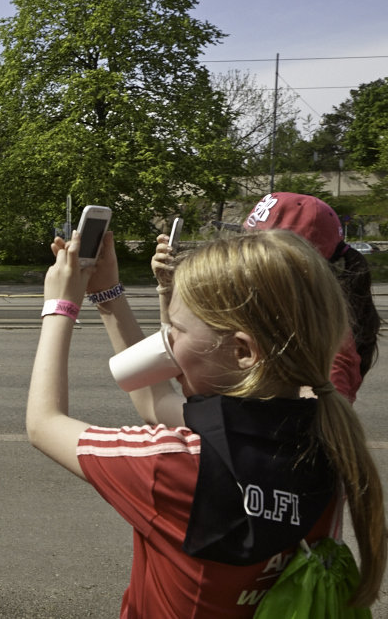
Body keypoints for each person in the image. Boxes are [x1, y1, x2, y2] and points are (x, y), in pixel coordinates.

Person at [26, 229, 386, 617]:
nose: (165, 343)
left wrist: (60, 307)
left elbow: (43, 423)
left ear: (242, 351)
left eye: (175, 331)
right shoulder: (328, 438)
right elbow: (158, 401)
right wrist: (108, 294)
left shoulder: (173, 464)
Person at [242, 192, 381, 402]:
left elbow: (318, 428)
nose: (237, 258)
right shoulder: (275, 320)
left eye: (251, 248)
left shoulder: (326, 345)